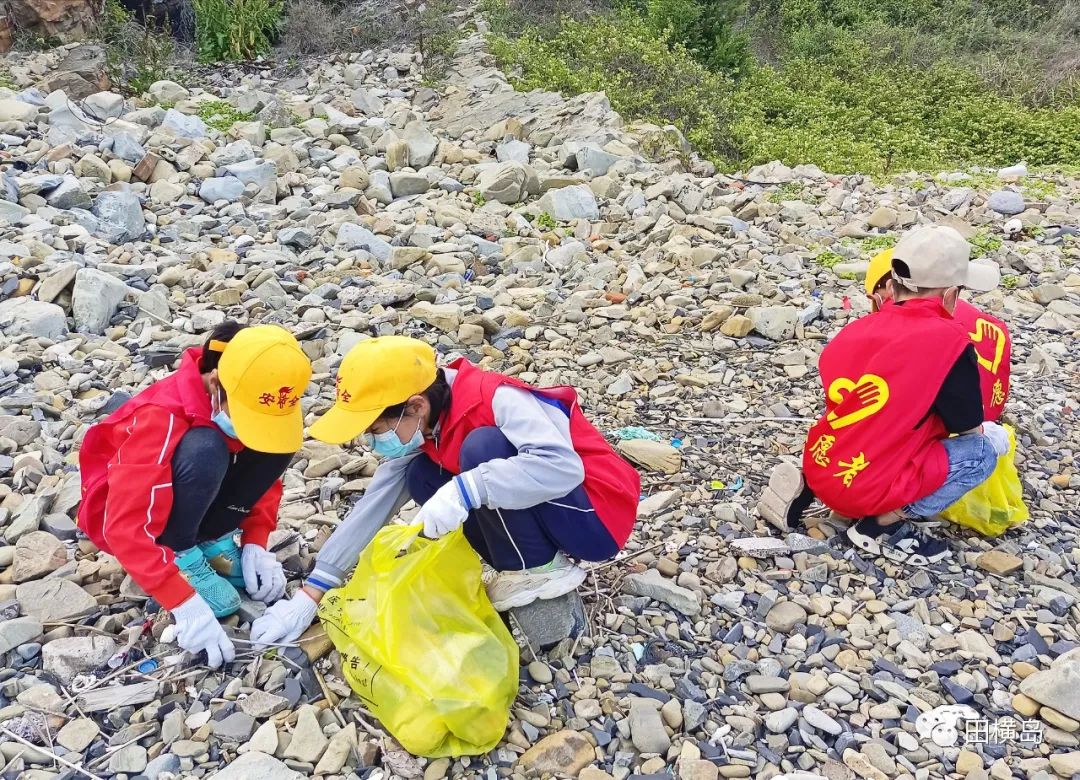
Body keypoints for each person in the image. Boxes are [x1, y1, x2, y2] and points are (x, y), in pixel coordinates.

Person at [250, 335, 641, 647]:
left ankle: (541, 569)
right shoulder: (428, 423)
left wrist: (466, 490)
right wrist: (313, 592)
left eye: (376, 430)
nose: (373, 444)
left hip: (595, 517)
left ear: (415, 405)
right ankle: (517, 565)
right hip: (554, 509)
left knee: (482, 449)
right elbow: (377, 503)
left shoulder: (497, 399)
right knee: (420, 474)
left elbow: (561, 467)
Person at [759, 226, 1009, 565]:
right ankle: (882, 525)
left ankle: (820, 490)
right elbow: (966, 426)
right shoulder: (949, 342)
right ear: (951, 295)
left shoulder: (855, 331)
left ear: (891, 286)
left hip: (822, 463)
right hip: (869, 487)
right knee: (981, 452)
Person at [77, 323, 312, 667]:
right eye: (245, 415)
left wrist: (255, 541)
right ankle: (182, 553)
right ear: (216, 384)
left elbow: (264, 473)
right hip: (128, 512)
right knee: (206, 449)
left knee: (274, 446)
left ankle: (210, 542)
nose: (250, 425)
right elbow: (123, 525)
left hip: (193, 495)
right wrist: (183, 603)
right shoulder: (160, 417)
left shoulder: (257, 392)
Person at [865, 247, 1011, 422]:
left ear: (890, 288)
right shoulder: (978, 318)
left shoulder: (887, 333)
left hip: (941, 429)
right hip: (985, 410)